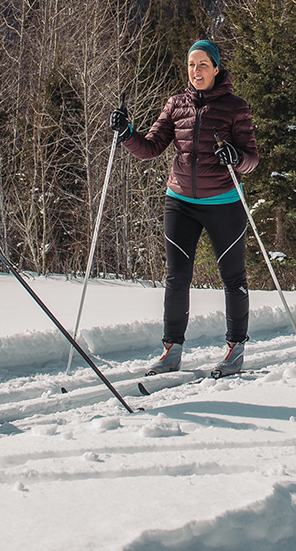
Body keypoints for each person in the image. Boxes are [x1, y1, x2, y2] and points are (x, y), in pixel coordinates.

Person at [111, 39, 259, 377]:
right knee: (177, 278)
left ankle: (235, 350)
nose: (196, 71)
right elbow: (150, 148)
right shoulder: (176, 105)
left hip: (224, 203)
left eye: (203, 64)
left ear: (217, 68)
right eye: (192, 64)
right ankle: (171, 352)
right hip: (180, 202)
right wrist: (125, 133)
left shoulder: (236, 107)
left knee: (233, 278)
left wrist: (236, 159)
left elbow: (252, 158)